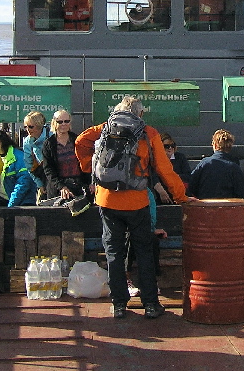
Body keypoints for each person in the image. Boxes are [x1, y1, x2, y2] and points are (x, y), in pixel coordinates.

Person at [75, 97, 190, 320]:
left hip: (107, 200)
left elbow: (80, 142)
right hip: (137, 202)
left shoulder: (105, 127)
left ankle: (119, 304)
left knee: (114, 253)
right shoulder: (148, 132)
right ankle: (150, 304)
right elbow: (164, 169)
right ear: (140, 114)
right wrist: (181, 197)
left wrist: (90, 167)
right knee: (144, 252)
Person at [187, 129, 244, 200]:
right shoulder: (234, 168)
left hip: (205, 204)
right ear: (230, 146)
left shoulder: (204, 163)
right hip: (228, 205)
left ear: (214, 145)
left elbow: (191, 186)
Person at [41, 110, 90, 200]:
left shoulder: (78, 140)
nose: (63, 124)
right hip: (58, 190)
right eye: (60, 122)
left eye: (66, 121)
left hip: (79, 187)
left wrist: (90, 183)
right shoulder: (48, 144)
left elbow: (86, 163)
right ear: (54, 123)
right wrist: (61, 187)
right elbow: (48, 169)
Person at [0, 130, 39, 207]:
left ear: (3, 141)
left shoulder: (19, 157)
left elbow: (23, 183)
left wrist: (11, 205)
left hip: (23, 200)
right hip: (2, 198)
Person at [150, 132, 190, 204]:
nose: (170, 148)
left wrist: (173, 177)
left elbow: (188, 175)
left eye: (172, 145)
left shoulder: (180, 157)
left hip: (178, 193)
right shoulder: (154, 160)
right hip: (160, 196)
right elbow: (154, 176)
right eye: (166, 146)